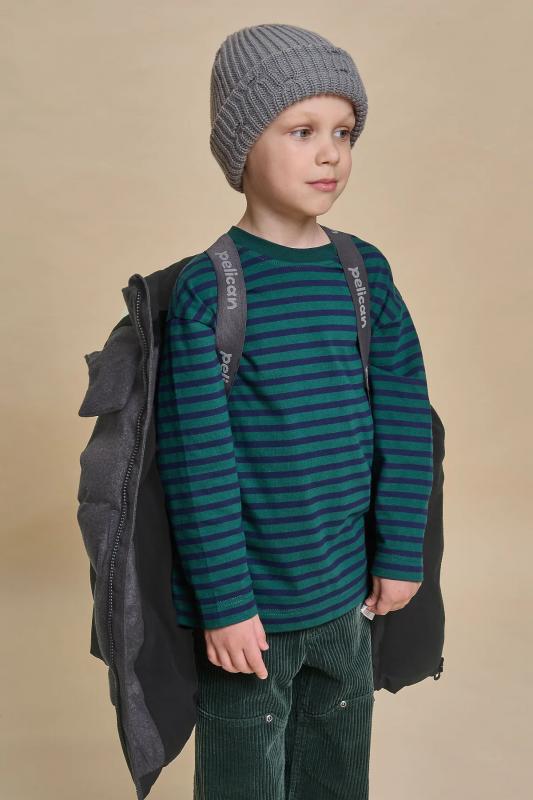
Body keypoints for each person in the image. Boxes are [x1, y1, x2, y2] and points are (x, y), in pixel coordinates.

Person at [154, 22, 434, 800]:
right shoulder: (211, 290)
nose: (330, 153)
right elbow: (197, 466)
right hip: (248, 615)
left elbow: (405, 423)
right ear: (242, 146)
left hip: (346, 598)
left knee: (335, 776)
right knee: (243, 782)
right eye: (301, 131)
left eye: (343, 132)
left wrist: (398, 553)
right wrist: (224, 605)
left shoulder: (362, 274)